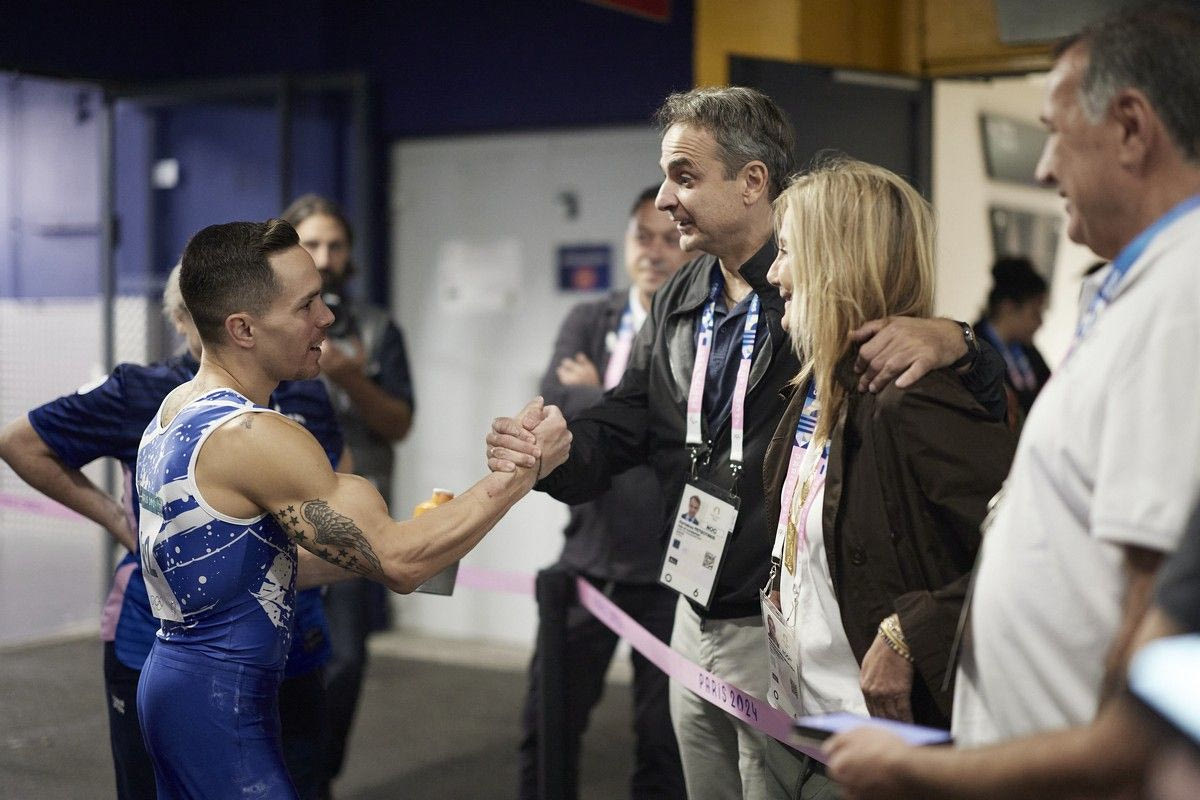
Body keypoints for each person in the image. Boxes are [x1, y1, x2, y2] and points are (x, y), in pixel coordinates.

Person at [488, 86, 1006, 800]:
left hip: (785, 628)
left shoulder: (818, 302)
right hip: (696, 602)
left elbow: (963, 448)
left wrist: (963, 343)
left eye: (684, 176)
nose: (665, 200)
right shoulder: (682, 296)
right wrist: (560, 451)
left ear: (752, 181)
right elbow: (631, 417)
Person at [823, 6, 1200, 797]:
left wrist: (929, 771)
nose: (1043, 169)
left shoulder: (1182, 299)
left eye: (1055, 134)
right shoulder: (1144, 288)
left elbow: (1150, 626)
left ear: (1132, 128)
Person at [134, 219, 569, 799]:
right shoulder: (253, 435)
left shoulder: (178, 407)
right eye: (305, 305)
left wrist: (410, 538)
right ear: (243, 329)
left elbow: (257, 563)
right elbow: (401, 563)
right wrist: (522, 473)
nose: (327, 318)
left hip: (179, 686)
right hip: (220, 706)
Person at [0, 263, 349, 800]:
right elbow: (21, 442)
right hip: (166, 645)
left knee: (299, 782)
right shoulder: (145, 392)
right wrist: (118, 521)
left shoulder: (303, 393)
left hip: (288, 641)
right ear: (181, 318)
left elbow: (344, 498)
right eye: (197, 311)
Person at [761, 158, 1015, 796]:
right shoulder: (821, 391)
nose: (773, 273)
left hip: (882, 759)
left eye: (786, 250)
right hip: (802, 733)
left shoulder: (911, 399)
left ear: (835, 262)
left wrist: (909, 633)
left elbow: (1034, 554)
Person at [518, 186, 691, 799]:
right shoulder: (590, 319)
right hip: (587, 559)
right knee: (546, 726)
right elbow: (552, 409)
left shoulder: (700, 326)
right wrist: (622, 409)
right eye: (642, 237)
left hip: (669, 570)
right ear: (625, 242)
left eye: (669, 239)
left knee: (664, 745)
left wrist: (597, 397)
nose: (655, 251)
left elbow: (683, 427)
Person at [281, 194, 415, 795]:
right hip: (276, 515)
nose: (325, 256)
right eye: (311, 244)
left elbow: (399, 423)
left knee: (345, 661)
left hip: (352, 522)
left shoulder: (379, 330)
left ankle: (317, 778)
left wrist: (348, 375)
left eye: (336, 245)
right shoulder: (271, 324)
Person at [974, 256, 1050, 419]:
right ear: (1008, 307)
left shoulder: (1030, 352)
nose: (1040, 322)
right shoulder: (973, 350)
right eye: (1035, 313)